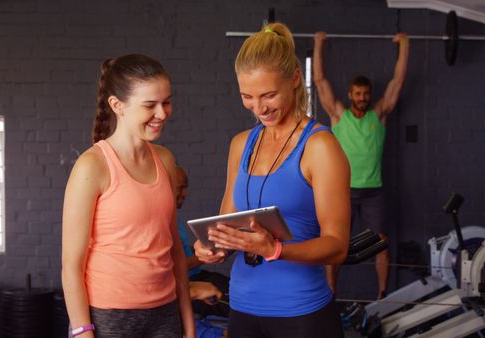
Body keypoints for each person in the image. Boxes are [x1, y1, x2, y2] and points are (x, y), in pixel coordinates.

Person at [194, 23, 351, 338]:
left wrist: (275, 250)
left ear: (294, 79)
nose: (259, 108)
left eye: (268, 95)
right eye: (247, 96)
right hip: (242, 307)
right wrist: (213, 247)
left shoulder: (320, 147)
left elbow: (337, 246)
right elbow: (227, 225)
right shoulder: (241, 144)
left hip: (301, 312)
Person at [61, 54, 195, 338]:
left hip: (165, 312)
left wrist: (188, 323)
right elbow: (71, 266)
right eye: (150, 105)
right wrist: (83, 332)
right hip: (109, 316)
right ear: (117, 105)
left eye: (166, 102)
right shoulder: (92, 166)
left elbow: (175, 252)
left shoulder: (166, 160)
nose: (162, 113)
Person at [313, 31, 410, 299]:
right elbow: (320, 80)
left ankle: (382, 294)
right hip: (343, 190)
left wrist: (405, 45)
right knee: (335, 243)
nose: (362, 97)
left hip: (373, 192)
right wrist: (318, 44)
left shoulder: (378, 115)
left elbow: (398, 81)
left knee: (380, 242)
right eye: (358, 93)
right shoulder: (338, 114)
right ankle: (330, 292)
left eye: (366, 94)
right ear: (350, 94)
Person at [176, 165, 230, 318]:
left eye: (186, 188)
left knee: (237, 288)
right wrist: (205, 255)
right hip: (185, 284)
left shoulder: (174, 217)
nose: (185, 193)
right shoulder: (159, 221)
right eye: (180, 188)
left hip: (198, 275)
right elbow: (172, 268)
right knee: (237, 303)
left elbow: (182, 252)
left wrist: (201, 247)